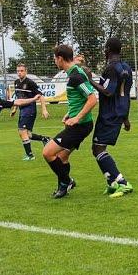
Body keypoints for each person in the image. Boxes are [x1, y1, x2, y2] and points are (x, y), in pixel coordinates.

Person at [42, 44, 97, 199]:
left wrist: (77, 118)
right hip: (81, 124)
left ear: (60, 58)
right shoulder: (74, 73)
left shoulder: (76, 76)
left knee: (48, 152)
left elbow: (92, 99)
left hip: (80, 126)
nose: (54, 61)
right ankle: (64, 185)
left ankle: (67, 182)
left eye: (54, 58)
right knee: (62, 158)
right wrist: (69, 114)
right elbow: (79, 99)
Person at [84, 38, 134, 198]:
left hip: (109, 114)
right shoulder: (126, 68)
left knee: (98, 148)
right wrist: (126, 118)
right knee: (97, 148)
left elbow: (108, 91)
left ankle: (122, 183)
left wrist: (89, 79)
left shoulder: (111, 68)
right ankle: (112, 183)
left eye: (105, 49)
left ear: (107, 49)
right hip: (119, 113)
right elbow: (125, 94)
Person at [10, 63, 51, 161]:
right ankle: (44, 139)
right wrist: (15, 109)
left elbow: (40, 95)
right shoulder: (16, 82)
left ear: (26, 71)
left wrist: (44, 109)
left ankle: (30, 155)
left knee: (22, 131)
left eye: (21, 71)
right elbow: (18, 97)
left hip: (29, 109)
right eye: (18, 71)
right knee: (27, 134)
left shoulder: (30, 83)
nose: (19, 73)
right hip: (22, 110)